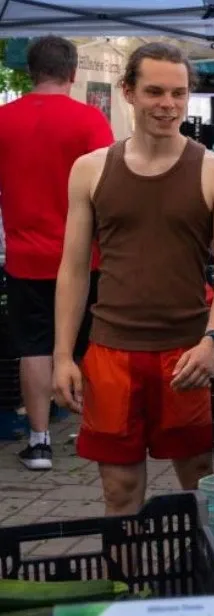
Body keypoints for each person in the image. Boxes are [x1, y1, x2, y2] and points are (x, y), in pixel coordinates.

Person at [53, 42, 214, 515]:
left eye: (178, 94)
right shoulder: (90, 170)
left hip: (185, 354)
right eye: (155, 91)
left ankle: (203, 580)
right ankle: (125, 583)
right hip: (111, 354)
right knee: (118, 490)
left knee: (200, 480)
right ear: (129, 92)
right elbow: (74, 268)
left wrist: (213, 342)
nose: (168, 104)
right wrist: (62, 355)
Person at [0, 36, 113, 470]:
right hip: (84, 257)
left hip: (26, 255)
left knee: (35, 346)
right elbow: (109, 187)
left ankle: (40, 440)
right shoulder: (89, 121)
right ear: (73, 71)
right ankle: (95, 430)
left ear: (32, 71)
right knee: (90, 346)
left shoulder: (4, 120)